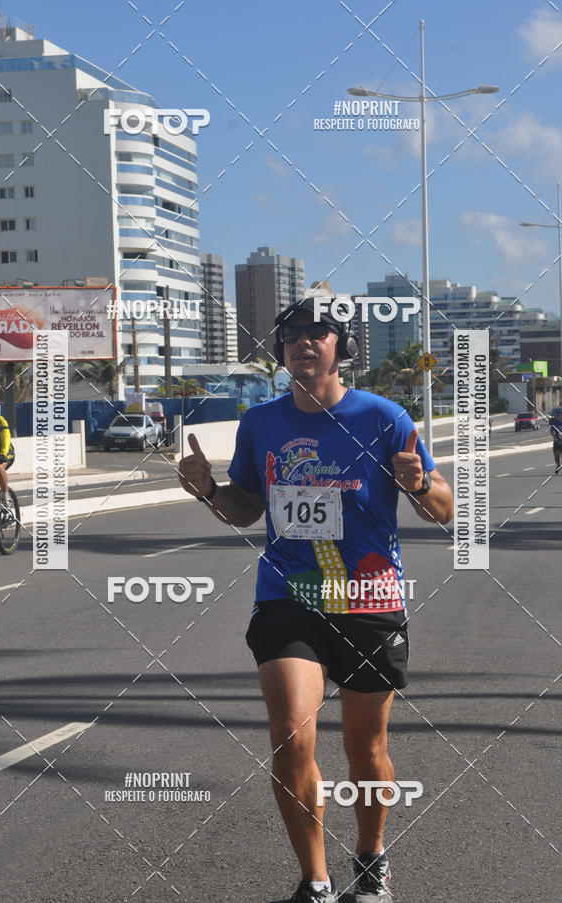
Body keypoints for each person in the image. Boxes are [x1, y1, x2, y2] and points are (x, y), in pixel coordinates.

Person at [178, 298, 454, 902]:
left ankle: (371, 856)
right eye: (291, 334)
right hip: (290, 596)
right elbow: (246, 509)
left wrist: (417, 485)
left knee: (366, 748)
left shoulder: (382, 416)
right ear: (281, 351)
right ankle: (316, 880)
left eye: (318, 332)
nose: (303, 341)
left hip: (367, 599)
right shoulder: (260, 423)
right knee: (290, 734)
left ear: (341, 347)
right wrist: (210, 492)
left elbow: (444, 508)